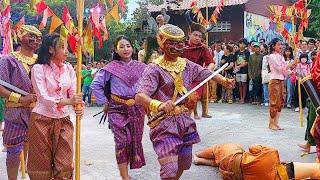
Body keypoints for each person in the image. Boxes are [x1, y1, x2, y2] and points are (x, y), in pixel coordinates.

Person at [135, 24, 234, 180]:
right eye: (172, 43)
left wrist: (223, 80)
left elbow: (205, 73)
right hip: (163, 124)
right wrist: (159, 104)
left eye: (180, 43)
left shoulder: (186, 64)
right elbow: (139, 96)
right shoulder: (153, 69)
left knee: (185, 163)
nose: (177, 47)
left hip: (184, 121)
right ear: (162, 43)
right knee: (169, 168)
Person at [27, 34, 83, 179]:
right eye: (62, 47)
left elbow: (74, 93)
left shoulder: (69, 69)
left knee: (65, 164)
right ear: (51, 49)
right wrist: (68, 102)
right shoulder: (38, 69)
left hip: (63, 120)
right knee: (41, 164)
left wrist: (78, 105)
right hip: (41, 120)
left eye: (67, 47)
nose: (66, 51)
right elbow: (43, 97)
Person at [91, 35, 147, 180]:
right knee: (121, 142)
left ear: (132, 48)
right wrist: (105, 102)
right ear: (116, 49)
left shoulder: (142, 67)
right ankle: (124, 176)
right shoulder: (110, 68)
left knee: (134, 140)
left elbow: (150, 85)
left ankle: (127, 171)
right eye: (121, 46)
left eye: (128, 45)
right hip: (116, 108)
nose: (125, 49)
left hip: (137, 109)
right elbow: (96, 85)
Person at [0, 25, 41, 180]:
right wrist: (20, 98)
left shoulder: (41, 60)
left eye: (38, 38)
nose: (36, 40)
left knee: (31, 146)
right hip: (15, 112)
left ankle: (26, 175)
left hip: (37, 112)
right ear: (20, 35)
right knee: (13, 152)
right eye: (32, 36)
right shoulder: (8, 60)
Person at [193, 143, 320, 179]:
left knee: (219, 149)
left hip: (232, 164)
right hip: (234, 173)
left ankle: (197, 155)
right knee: (220, 163)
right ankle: (199, 160)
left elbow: (253, 147)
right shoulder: (274, 164)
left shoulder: (271, 153)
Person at [182, 23, 215, 119]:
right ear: (189, 34)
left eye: (200, 36)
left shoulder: (203, 48)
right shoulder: (182, 46)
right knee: (188, 99)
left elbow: (211, 63)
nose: (197, 38)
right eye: (195, 35)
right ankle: (191, 115)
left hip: (199, 77)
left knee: (200, 96)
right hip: (184, 77)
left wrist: (206, 72)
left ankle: (202, 113)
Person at [268, 38, 296, 130]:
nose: (281, 46)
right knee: (274, 102)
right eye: (279, 44)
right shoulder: (271, 56)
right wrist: (292, 63)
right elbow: (280, 69)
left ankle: (276, 123)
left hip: (281, 80)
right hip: (274, 80)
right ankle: (271, 123)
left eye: (281, 44)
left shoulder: (281, 57)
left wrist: (293, 73)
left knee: (280, 102)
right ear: (273, 46)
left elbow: (285, 70)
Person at [234, 38, 250, 104]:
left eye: (243, 44)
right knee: (239, 84)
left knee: (244, 84)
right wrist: (235, 67)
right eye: (240, 43)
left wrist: (239, 66)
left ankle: (243, 98)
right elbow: (235, 61)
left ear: (245, 45)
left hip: (244, 70)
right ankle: (240, 98)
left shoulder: (247, 52)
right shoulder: (237, 52)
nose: (242, 45)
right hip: (237, 70)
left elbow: (247, 62)